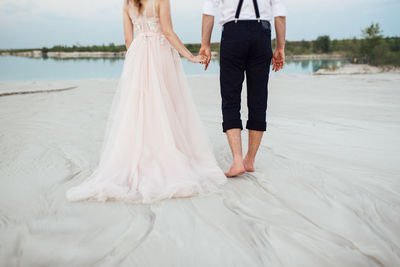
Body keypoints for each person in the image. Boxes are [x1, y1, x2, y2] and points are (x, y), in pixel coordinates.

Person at [66, 0, 228, 204]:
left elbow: (128, 39)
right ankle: (165, 153)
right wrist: (190, 56)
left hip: (139, 55)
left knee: (141, 107)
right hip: (160, 55)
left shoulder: (127, 3)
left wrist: (137, 58)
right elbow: (168, 32)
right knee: (166, 103)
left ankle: (144, 153)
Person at [200, 0, 287, 177]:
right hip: (261, 34)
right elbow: (280, 15)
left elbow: (209, 11)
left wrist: (205, 45)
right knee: (258, 99)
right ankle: (250, 159)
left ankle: (237, 160)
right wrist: (280, 47)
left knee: (230, 98)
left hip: (233, 34)